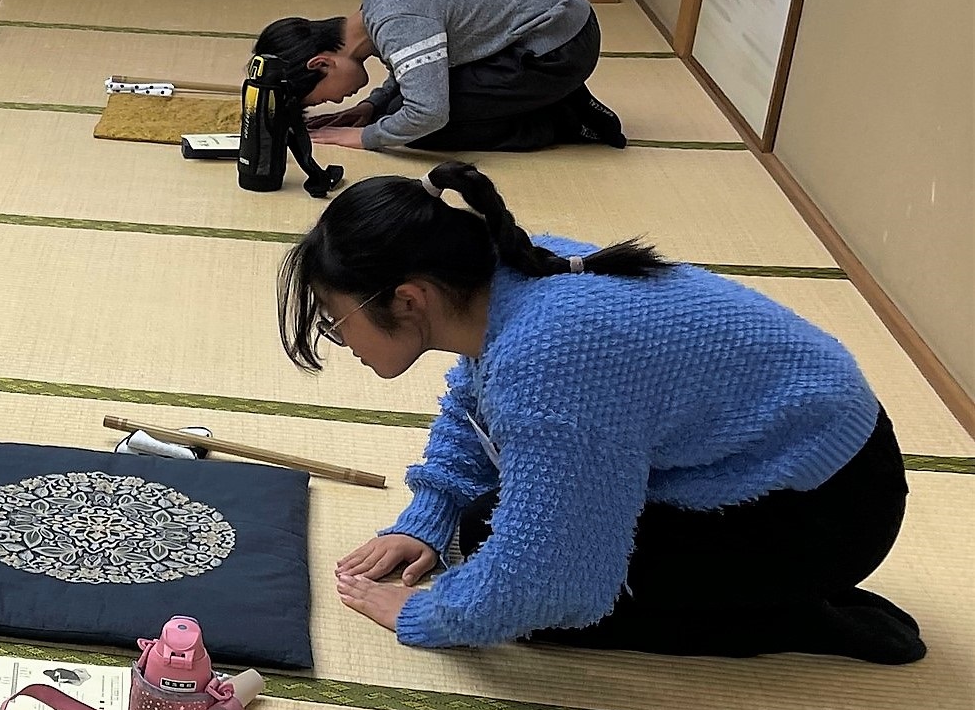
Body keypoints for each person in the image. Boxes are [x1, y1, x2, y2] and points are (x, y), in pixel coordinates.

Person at [280, 161, 920, 664]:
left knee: (534, 609)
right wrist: (430, 515)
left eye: (337, 321)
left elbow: (549, 580)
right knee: (478, 528)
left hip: (826, 507)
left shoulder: (549, 354)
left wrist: (423, 615)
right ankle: (761, 592)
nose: (342, 343)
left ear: (409, 299)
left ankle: (790, 617)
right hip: (807, 458)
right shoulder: (507, 270)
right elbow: (473, 410)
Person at [255, 0, 625, 154]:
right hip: (555, 29)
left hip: (560, 47)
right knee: (396, 112)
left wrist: (366, 137)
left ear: (321, 63)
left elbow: (428, 113)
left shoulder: (397, 23)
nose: (336, 100)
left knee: (422, 132)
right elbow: (418, 68)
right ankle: (552, 97)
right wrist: (373, 106)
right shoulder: (375, 16)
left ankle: (564, 119)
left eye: (322, 97)